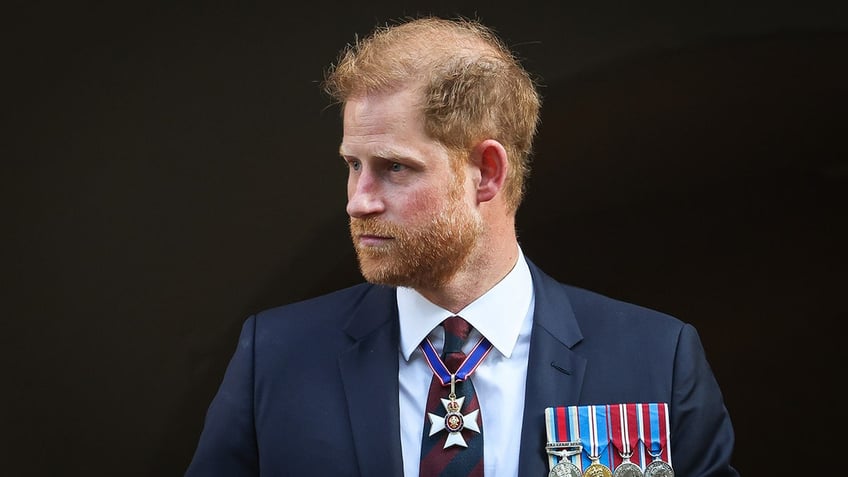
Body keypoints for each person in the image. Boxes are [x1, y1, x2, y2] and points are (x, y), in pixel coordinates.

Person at [185, 16, 739, 477]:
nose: (358, 201)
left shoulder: (653, 359)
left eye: (395, 167)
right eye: (353, 166)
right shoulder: (278, 356)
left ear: (486, 173)